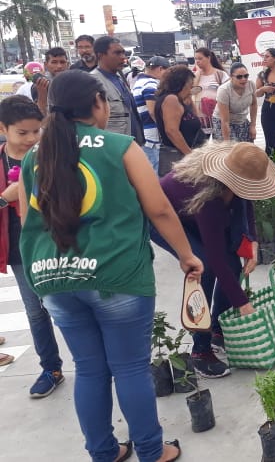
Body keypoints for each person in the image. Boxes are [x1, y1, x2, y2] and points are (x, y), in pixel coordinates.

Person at [18, 69, 201, 462]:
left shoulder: (35, 154)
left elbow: (26, 220)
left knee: (88, 369)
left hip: (56, 280)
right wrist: (186, 254)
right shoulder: (120, 146)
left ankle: (103, 451)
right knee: (131, 368)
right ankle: (152, 451)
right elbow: (159, 209)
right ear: (98, 104)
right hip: (116, 276)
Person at [151, 142, 275, 378]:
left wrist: (252, 239)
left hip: (190, 213)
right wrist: (243, 303)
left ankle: (219, 329)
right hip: (163, 218)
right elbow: (215, 258)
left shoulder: (235, 173)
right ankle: (200, 351)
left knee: (233, 263)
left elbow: (246, 199)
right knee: (205, 267)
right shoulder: (210, 198)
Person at [0, 95, 66, 396]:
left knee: (69, 306)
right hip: (19, 249)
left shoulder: (51, 156)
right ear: (3, 129)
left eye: (36, 131)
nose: (31, 139)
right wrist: (7, 196)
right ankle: (50, 367)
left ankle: (95, 364)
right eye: (22, 133)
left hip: (58, 244)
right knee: (36, 311)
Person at [90, 36, 145, 145]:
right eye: (117, 53)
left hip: (131, 143)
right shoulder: (93, 81)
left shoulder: (119, 77)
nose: (123, 57)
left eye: (123, 53)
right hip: (112, 146)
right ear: (100, 55)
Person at [154, 65, 204, 176]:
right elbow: (172, 131)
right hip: (177, 157)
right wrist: (189, 155)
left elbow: (196, 117)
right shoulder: (171, 99)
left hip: (183, 155)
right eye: (190, 85)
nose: (191, 89)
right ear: (182, 84)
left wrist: (188, 97)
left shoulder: (179, 100)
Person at [132, 56, 170, 173]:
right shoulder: (150, 84)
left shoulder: (139, 82)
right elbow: (153, 111)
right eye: (167, 72)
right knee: (154, 170)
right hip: (151, 137)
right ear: (160, 69)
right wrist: (165, 131)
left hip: (144, 133)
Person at [213, 63, 257, 143]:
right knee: (232, 148)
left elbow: (254, 104)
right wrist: (227, 143)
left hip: (241, 119)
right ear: (231, 77)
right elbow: (225, 121)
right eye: (239, 77)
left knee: (247, 148)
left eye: (246, 76)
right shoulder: (224, 90)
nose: (243, 79)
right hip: (223, 121)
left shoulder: (251, 85)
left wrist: (253, 125)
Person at [194, 48, 228, 136]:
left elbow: (229, 93)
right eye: (196, 59)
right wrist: (197, 74)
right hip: (201, 119)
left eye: (200, 58)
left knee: (219, 146)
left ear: (208, 58)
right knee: (202, 148)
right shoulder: (195, 75)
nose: (197, 61)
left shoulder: (220, 74)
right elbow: (191, 92)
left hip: (218, 116)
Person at [25, 47, 69, 114]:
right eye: (54, 62)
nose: (59, 66)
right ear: (46, 65)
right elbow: (40, 114)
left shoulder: (74, 82)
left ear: (67, 64)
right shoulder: (41, 84)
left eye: (62, 62)